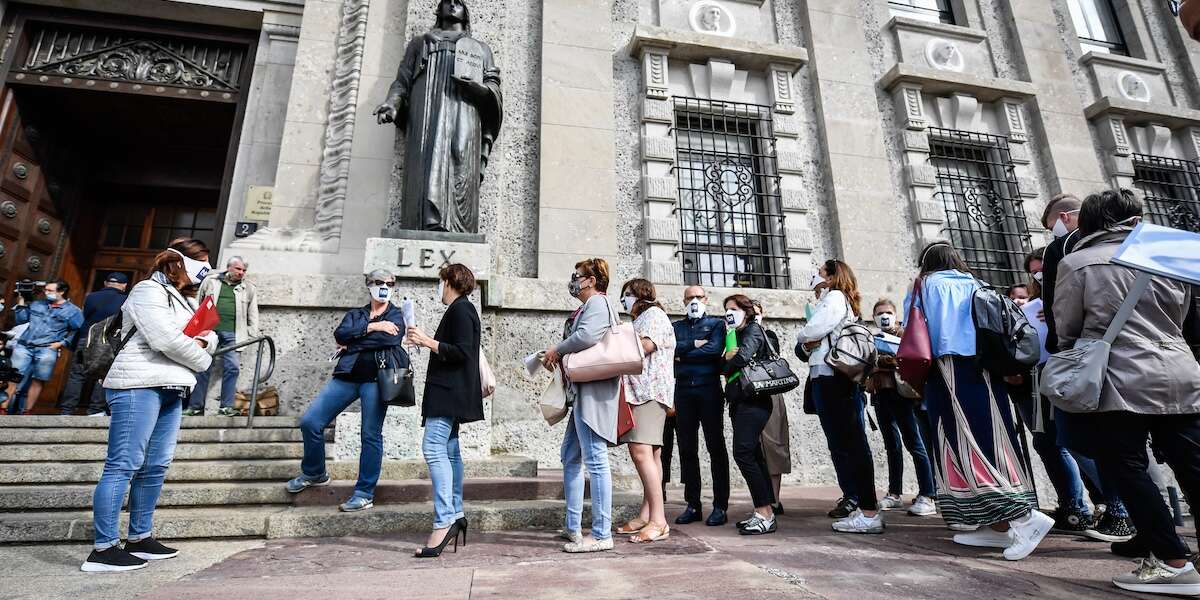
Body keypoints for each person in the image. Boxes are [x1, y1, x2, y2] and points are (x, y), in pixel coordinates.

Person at [1053, 189, 1200, 595]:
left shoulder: (1077, 262)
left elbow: (1067, 328)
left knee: (1128, 468)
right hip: (1180, 370)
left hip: (1119, 379)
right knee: (1193, 464)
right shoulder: (1168, 256)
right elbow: (1185, 318)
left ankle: (1172, 560)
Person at [81, 239, 218, 572]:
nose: (208, 268)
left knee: (156, 465)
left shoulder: (185, 299)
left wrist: (200, 342)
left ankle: (139, 537)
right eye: (202, 261)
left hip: (172, 386)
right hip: (138, 384)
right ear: (179, 262)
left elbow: (209, 334)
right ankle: (103, 548)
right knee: (123, 463)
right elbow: (165, 339)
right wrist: (201, 357)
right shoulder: (147, 291)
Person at [909, 241, 1051, 560]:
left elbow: (916, 330)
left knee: (963, 443)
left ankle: (1024, 519)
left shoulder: (925, 285)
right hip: (985, 370)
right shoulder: (977, 283)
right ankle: (999, 525)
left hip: (947, 368)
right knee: (992, 440)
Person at [1041, 193, 1136, 543]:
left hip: (1087, 356)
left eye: (1049, 223)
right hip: (1149, 356)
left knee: (1079, 436)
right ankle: (1132, 515)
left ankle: (1119, 510)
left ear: (1065, 217)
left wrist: (1060, 350)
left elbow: (1059, 310)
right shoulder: (1141, 247)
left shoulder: (1063, 249)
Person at [285, 269, 405, 513]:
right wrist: (373, 327)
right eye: (379, 282)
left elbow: (390, 341)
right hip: (347, 376)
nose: (385, 286)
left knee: (370, 434)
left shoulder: (398, 314)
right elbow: (340, 335)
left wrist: (355, 341)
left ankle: (364, 492)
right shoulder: (356, 314)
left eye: (390, 283)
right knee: (311, 421)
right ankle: (315, 472)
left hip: (377, 379)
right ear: (369, 284)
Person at [1005, 250, 1096, 536]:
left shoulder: (1074, 287)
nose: (1038, 275)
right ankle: (1073, 507)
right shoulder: (1034, 304)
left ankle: (1116, 507)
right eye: (1033, 271)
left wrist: (1060, 312)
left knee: (1080, 442)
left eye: (1042, 268)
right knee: (1047, 443)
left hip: (1073, 373)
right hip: (1038, 377)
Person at [797, 260, 881, 534]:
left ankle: (869, 511)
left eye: (820, 271)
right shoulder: (834, 298)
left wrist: (804, 336)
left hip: (834, 378)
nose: (815, 274)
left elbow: (811, 332)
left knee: (852, 442)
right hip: (827, 376)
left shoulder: (834, 297)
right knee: (844, 442)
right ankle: (861, 505)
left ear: (832, 277)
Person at [406, 264, 483, 558]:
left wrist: (426, 341)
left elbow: (462, 352)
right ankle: (456, 513)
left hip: (448, 394)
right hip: (451, 393)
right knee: (450, 451)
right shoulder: (462, 309)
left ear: (450, 281)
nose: (439, 288)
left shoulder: (462, 309)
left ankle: (444, 520)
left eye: (440, 282)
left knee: (434, 448)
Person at [542, 258, 618, 553]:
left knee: (595, 460)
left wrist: (556, 350)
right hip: (584, 392)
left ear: (592, 280)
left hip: (593, 392)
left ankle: (601, 534)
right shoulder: (591, 306)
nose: (574, 280)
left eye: (579, 276)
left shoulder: (598, 304)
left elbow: (587, 336)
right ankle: (573, 527)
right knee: (571, 456)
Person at [614, 278, 675, 543]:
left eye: (627, 294)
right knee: (651, 454)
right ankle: (646, 514)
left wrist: (616, 339)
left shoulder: (653, 314)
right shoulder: (644, 317)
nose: (624, 300)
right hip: (645, 391)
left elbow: (646, 346)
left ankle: (659, 521)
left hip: (647, 391)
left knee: (640, 451)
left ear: (640, 294)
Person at [867, 298, 937, 518]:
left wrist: (884, 361)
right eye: (879, 313)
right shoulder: (872, 337)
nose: (884, 316)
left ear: (896, 314)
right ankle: (894, 492)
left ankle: (928, 493)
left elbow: (908, 359)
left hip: (902, 395)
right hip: (880, 394)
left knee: (914, 444)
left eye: (888, 312)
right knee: (892, 446)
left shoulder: (904, 335)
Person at [670, 285, 730, 527]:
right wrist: (694, 345)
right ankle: (693, 504)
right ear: (684, 301)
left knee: (716, 447)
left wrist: (683, 353)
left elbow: (715, 349)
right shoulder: (676, 327)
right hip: (683, 391)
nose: (694, 301)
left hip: (709, 390)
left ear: (706, 299)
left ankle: (720, 506)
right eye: (690, 297)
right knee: (687, 449)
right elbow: (670, 350)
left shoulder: (716, 325)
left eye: (698, 297)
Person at [720, 294, 779, 535]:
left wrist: (726, 361)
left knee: (743, 452)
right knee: (753, 453)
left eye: (733, 308)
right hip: (740, 400)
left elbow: (741, 358)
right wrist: (726, 359)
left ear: (747, 311)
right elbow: (726, 360)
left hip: (754, 401)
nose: (728, 313)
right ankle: (765, 511)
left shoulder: (753, 330)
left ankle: (764, 512)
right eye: (726, 309)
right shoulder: (734, 334)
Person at [186, 256, 260, 417]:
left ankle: (226, 407)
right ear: (229, 268)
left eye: (244, 270)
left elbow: (253, 313)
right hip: (208, 332)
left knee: (232, 367)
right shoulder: (211, 281)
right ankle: (196, 406)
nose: (241, 273)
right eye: (238, 269)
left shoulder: (248, 288)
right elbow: (197, 304)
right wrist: (196, 327)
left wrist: (251, 334)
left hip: (234, 333)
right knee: (202, 367)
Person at [60, 273, 129, 416]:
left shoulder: (91, 297)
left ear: (105, 283)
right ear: (124, 285)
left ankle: (67, 410)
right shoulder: (126, 300)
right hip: (108, 342)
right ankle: (95, 411)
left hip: (86, 339)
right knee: (103, 375)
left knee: (76, 375)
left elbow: (85, 317)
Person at [11, 280, 83, 415]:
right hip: (24, 346)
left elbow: (78, 330)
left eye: (50, 290)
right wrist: (21, 302)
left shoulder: (72, 311)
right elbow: (21, 319)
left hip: (47, 349)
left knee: (38, 380)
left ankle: (26, 412)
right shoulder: (38, 304)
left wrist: (62, 343)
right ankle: (3, 410)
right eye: (46, 290)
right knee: (12, 377)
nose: (46, 293)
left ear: (61, 292)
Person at [752, 300, 791, 516]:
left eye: (756, 313)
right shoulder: (735, 335)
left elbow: (769, 351)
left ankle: (774, 500)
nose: (754, 316)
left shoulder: (769, 335)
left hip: (770, 391)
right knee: (752, 448)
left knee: (774, 445)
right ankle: (761, 498)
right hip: (747, 394)